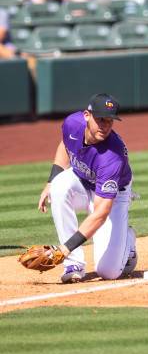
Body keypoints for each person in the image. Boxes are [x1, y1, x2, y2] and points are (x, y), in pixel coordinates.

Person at [38, 94, 137, 284]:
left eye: (110, 121)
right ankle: (73, 264)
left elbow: (101, 212)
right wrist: (51, 182)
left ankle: (128, 240)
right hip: (83, 183)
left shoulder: (111, 157)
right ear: (86, 115)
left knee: (109, 272)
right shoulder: (72, 123)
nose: (105, 126)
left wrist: (64, 248)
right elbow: (66, 145)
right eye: (100, 119)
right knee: (59, 185)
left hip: (113, 197)